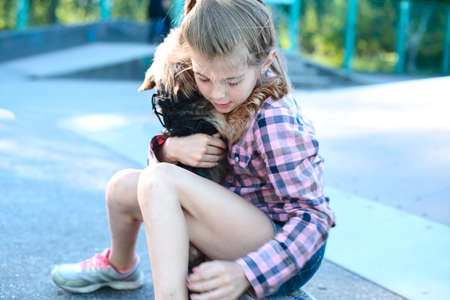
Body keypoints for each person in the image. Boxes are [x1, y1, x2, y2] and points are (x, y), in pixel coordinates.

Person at [51, 0, 335, 299]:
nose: (218, 93)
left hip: (281, 251)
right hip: (227, 227)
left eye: (232, 81)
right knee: (123, 187)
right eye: (204, 78)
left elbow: (313, 217)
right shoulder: (203, 89)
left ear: (265, 63)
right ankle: (120, 268)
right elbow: (156, 188)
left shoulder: (275, 118)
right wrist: (170, 149)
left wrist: (247, 272)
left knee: (160, 180)